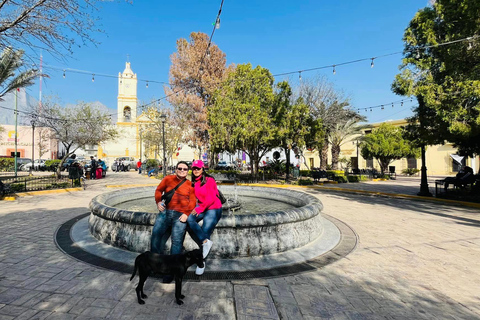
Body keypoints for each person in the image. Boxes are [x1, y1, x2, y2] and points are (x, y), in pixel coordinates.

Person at [151, 161, 196, 282]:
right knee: (156, 236)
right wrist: (158, 202)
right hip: (165, 213)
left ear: (188, 171)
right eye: (180, 168)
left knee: (176, 243)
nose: (182, 170)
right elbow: (158, 191)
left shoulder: (190, 184)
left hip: (180, 216)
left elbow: (192, 201)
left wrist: (186, 214)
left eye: (185, 169)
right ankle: (154, 265)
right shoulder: (168, 179)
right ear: (176, 169)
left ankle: (170, 271)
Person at [187, 159, 223, 276]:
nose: (196, 170)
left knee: (206, 228)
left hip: (214, 207)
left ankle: (201, 263)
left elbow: (212, 198)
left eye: (198, 168)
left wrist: (200, 209)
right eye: (194, 168)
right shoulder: (194, 182)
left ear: (203, 169)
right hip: (203, 207)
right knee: (189, 219)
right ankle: (205, 242)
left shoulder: (209, 179)